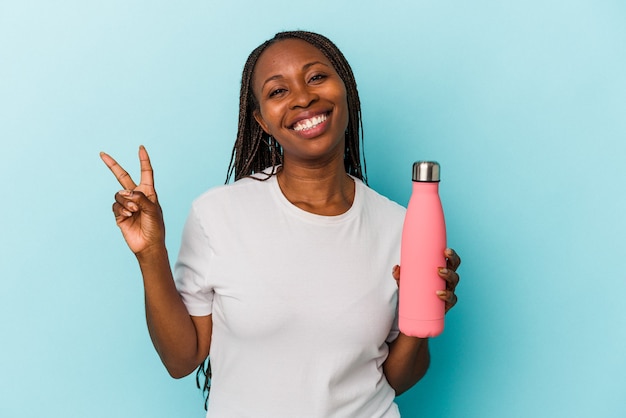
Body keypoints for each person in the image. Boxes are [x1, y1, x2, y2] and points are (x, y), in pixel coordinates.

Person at [101, 30, 460, 417]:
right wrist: (151, 254)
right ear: (262, 121)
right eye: (277, 91)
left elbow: (395, 379)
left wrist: (422, 313)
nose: (304, 98)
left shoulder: (401, 226)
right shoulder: (218, 214)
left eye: (317, 77)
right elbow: (181, 360)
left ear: (346, 90)